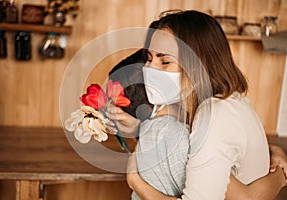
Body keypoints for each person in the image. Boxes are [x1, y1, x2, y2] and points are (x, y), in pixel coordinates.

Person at [106, 10, 287, 200]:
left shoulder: (215, 114)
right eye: (149, 58)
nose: (149, 69)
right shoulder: (225, 103)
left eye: (165, 61)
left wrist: (135, 182)